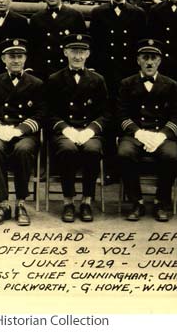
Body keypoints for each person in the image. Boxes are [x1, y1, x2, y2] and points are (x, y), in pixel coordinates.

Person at [45, 34, 110, 223]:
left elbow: (105, 113)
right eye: (74, 51)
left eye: (82, 52)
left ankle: (86, 201)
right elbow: (49, 112)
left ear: (88, 54)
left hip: (89, 131)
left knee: (92, 150)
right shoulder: (55, 79)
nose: (78, 56)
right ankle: (68, 201)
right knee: (68, 150)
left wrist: (90, 130)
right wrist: (66, 129)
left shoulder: (97, 80)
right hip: (65, 132)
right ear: (66, 52)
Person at [117, 39, 177, 222]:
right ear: (138, 60)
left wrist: (161, 135)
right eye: (145, 58)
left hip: (162, 135)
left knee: (171, 155)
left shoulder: (171, 84)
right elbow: (121, 114)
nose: (149, 62)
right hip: (135, 134)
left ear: (159, 61)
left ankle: (161, 202)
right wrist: (139, 133)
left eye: (153, 58)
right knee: (124, 153)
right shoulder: (127, 84)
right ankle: (136, 202)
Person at [0, 39, 45, 226]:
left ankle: (21, 203)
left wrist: (20, 130)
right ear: (3, 59)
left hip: (24, 133)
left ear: (25, 59)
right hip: (0, 131)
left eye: (20, 56)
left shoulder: (36, 83)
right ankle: (3, 204)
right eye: (11, 56)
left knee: (23, 150)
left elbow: (41, 114)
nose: (16, 60)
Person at [89, 0, 147, 95]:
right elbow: (93, 43)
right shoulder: (98, 13)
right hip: (105, 69)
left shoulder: (138, 14)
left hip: (129, 69)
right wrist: (93, 67)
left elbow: (141, 44)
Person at [28, 0, 86, 80]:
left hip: (66, 71)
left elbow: (84, 45)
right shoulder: (36, 18)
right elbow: (32, 48)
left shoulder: (75, 16)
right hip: (43, 72)